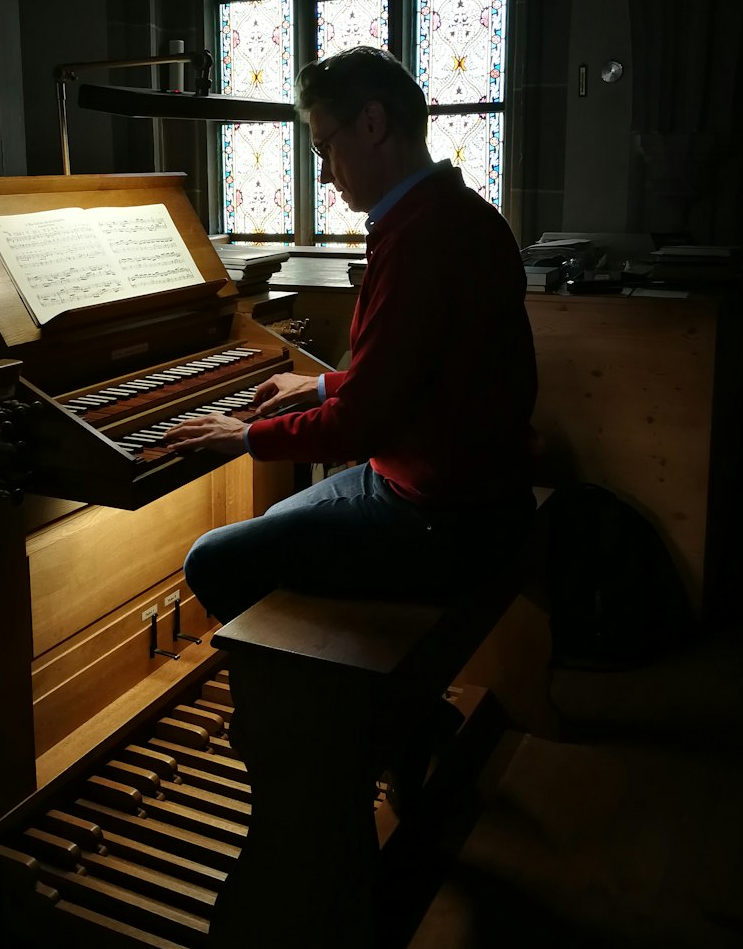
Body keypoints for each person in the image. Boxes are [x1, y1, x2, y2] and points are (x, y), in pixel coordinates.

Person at [164, 46, 538, 626]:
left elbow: (361, 426)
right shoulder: (457, 213)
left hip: (442, 521)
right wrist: (320, 387)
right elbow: (421, 374)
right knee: (275, 517)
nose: (321, 171)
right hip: (483, 498)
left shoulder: (419, 240)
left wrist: (244, 435)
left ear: (372, 122)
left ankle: (322, 704)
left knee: (212, 559)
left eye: (324, 146)